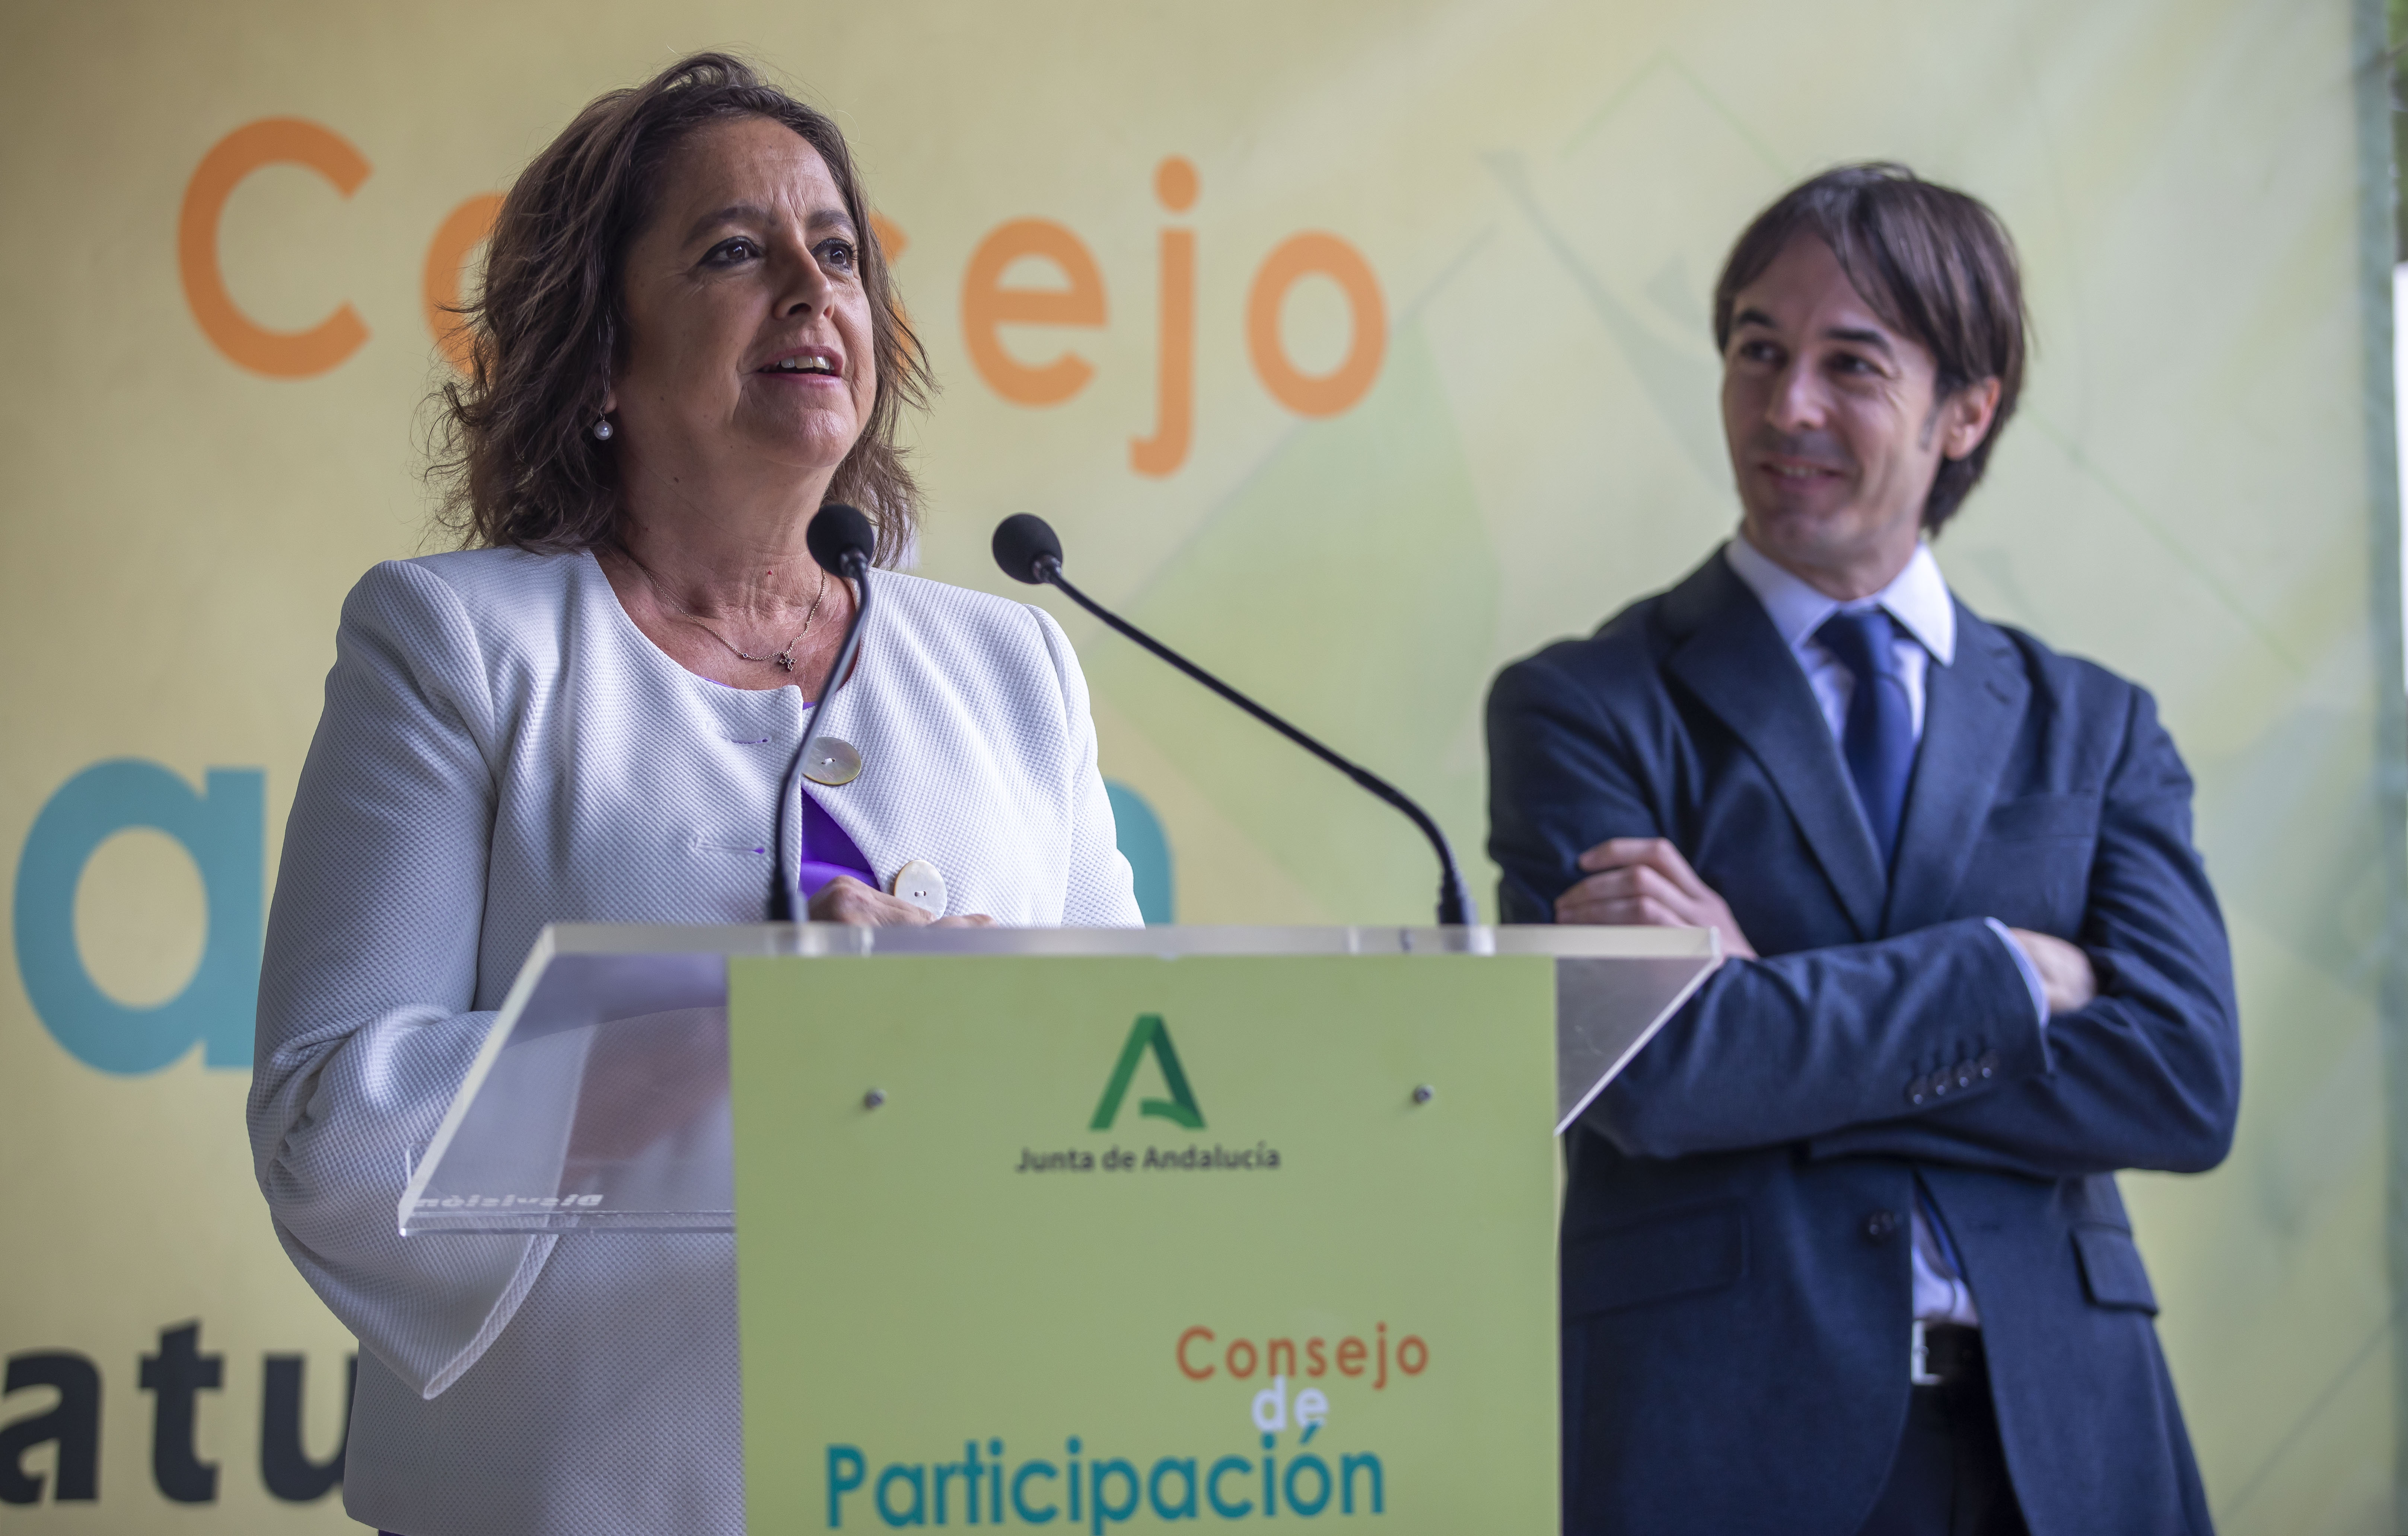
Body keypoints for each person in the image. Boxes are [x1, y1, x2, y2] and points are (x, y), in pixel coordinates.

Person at [246, 54, 1140, 1536]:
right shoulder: (460, 645)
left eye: (839, 251)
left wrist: (1007, 1027)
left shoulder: (1014, 664)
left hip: (961, 1479)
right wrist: (740, 1018)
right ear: (599, 355)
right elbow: (335, 1131)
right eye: (736, 250)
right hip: (580, 1497)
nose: (813, 285)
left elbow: (1132, 1096)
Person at [1486, 164, 2237, 1536]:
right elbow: (1648, 1077)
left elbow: (2183, 1081)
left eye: (1851, 365)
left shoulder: (2095, 726)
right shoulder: (1581, 705)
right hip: (1719, 1437)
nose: (1787, 409)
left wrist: (1762, 994)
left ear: (1967, 410)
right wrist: (2008, 972)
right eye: (1757, 351)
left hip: (2067, 1440)